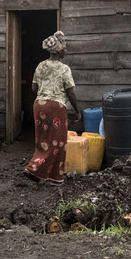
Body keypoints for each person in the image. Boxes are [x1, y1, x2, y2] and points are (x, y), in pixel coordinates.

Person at [24, 31, 79, 184]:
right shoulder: (64, 69)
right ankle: (40, 171)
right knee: (59, 142)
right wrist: (77, 111)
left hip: (39, 105)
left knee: (43, 140)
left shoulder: (41, 66)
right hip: (56, 107)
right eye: (65, 49)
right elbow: (70, 92)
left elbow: (34, 88)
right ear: (59, 50)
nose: (66, 51)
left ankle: (46, 174)